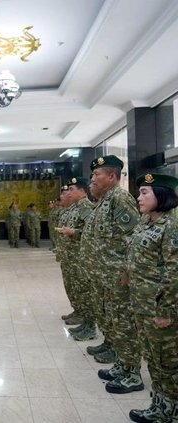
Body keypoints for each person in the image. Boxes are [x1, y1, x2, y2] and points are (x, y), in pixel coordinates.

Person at [125, 173, 178, 423]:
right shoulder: (147, 222)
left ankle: (171, 410)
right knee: (154, 359)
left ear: (163, 194)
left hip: (161, 309)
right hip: (143, 305)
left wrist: (165, 311)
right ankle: (161, 404)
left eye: (145, 192)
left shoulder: (172, 225)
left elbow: (174, 271)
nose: (139, 197)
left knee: (167, 362)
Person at [88, 155, 143, 394]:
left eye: (97, 175)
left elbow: (134, 238)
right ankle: (122, 364)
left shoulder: (120, 199)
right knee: (115, 323)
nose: (93, 178)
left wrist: (127, 271)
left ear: (112, 176)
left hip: (118, 278)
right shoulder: (104, 201)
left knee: (124, 325)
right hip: (106, 276)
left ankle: (133, 374)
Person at [57, 177, 94, 340]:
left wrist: (74, 232)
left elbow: (89, 232)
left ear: (82, 191)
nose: (68, 193)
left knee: (83, 290)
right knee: (74, 287)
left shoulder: (85, 207)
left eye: (72, 190)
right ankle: (80, 313)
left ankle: (88, 323)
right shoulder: (74, 208)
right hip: (70, 256)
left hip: (79, 257)